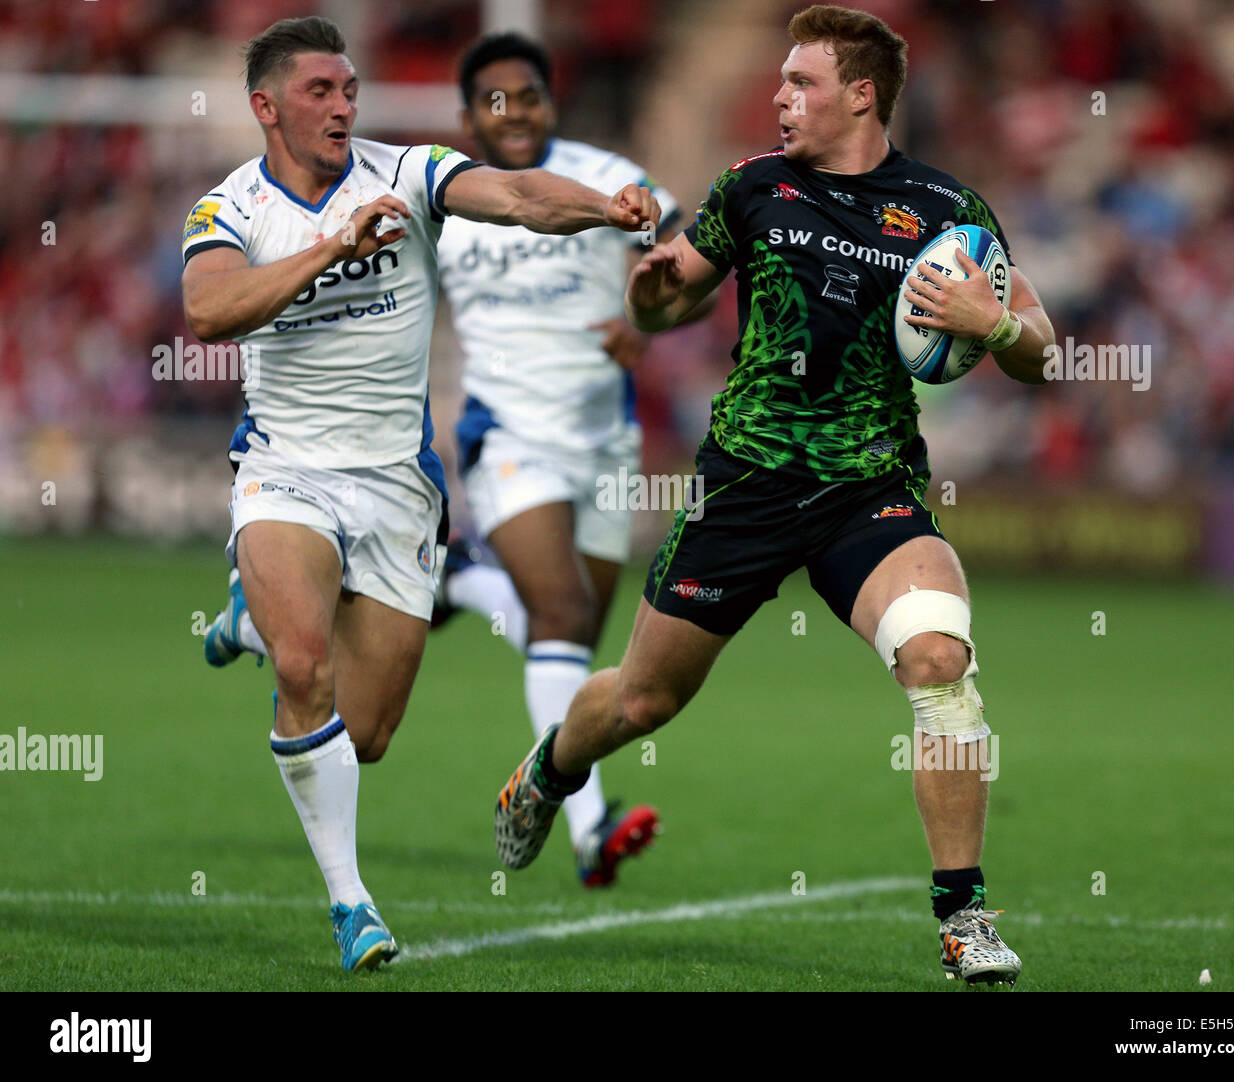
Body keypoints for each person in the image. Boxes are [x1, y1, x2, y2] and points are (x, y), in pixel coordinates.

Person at [494, 3, 1054, 986]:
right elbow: (668, 301)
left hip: (867, 491)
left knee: (938, 658)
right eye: (780, 80)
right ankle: (549, 768)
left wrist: (992, 322)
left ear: (862, 94)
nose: (779, 95)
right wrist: (652, 285)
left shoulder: (945, 208)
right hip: (743, 486)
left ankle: (964, 917)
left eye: (800, 82)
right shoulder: (752, 187)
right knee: (641, 696)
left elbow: (1041, 354)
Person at [185, 15, 659, 972]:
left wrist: (608, 208)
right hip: (286, 469)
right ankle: (352, 903)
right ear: (265, 107)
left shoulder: (406, 174)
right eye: (320, 90)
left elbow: (520, 194)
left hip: (399, 486)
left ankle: (246, 620)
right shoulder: (228, 207)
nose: (344, 104)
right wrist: (331, 248)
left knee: (364, 735)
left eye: (350, 87)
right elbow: (206, 310)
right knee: (304, 668)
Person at [430, 32, 706, 887]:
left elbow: (689, 253)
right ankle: (585, 823)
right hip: (507, 432)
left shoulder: (601, 172)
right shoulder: (444, 198)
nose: (515, 113)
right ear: (470, 114)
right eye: (496, 100)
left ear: (552, 102)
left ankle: (464, 582)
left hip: (604, 440)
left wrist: (652, 317)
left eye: (530, 96)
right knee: (557, 616)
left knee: (578, 634)